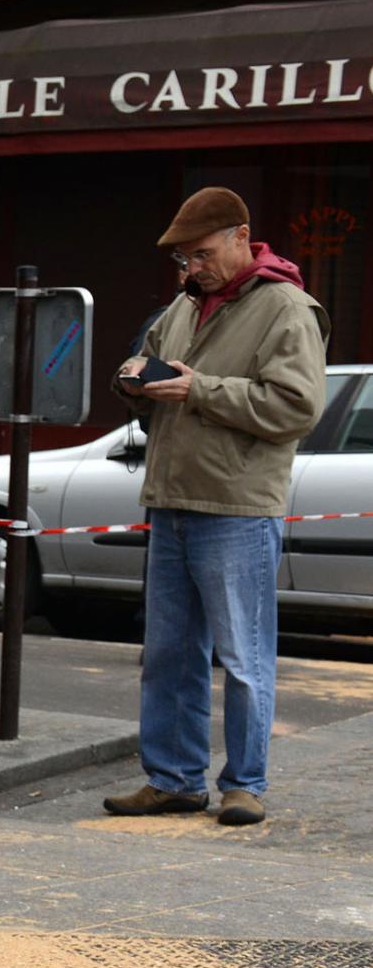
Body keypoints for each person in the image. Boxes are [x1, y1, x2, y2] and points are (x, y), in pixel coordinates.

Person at [103, 187, 328, 828]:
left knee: (243, 654)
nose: (190, 270)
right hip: (172, 496)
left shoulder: (287, 307)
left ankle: (245, 783)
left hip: (235, 504)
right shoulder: (183, 305)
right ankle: (173, 779)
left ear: (240, 236)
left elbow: (295, 407)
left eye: (200, 255)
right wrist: (136, 381)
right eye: (182, 260)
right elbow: (157, 380)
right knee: (169, 653)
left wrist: (198, 388)